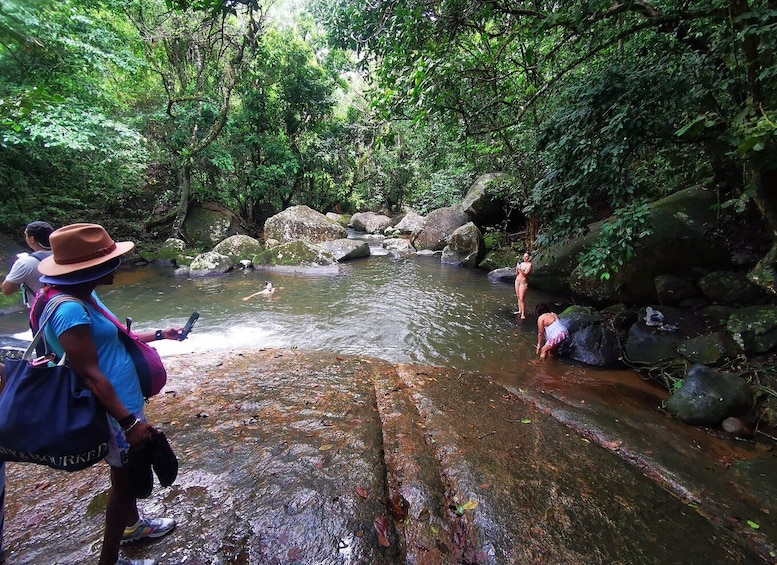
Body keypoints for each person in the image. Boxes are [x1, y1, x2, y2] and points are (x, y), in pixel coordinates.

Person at [34, 223, 181, 565]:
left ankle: (132, 526)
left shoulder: (81, 296)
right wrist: (129, 423)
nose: (117, 265)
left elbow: (113, 341)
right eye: (111, 260)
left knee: (124, 476)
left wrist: (162, 333)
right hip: (114, 411)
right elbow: (89, 373)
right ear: (89, 268)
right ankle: (109, 559)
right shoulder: (70, 310)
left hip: (122, 403)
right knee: (124, 482)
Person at [0, 221, 54, 554]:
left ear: (31, 239)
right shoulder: (57, 258)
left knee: (46, 355)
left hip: (42, 314)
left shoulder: (25, 260)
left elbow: (6, 290)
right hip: (55, 313)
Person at [2, 221, 55, 307]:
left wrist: (19, 266)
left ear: (32, 239)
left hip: (43, 311)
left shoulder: (25, 263)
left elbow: (6, 290)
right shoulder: (64, 256)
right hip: (68, 305)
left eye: (26, 235)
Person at [514, 252, 532, 319]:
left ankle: (523, 314)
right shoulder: (521, 263)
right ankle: (519, 310)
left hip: (523, 282)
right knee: (518, 296)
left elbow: (525, 274)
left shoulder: (529, 265)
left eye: (526, 256)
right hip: (517, 281)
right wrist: (517, 268)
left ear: (529, 257)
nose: (525, 258)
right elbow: (517, 273)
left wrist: (520, 269)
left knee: (521, 298)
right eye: (524, 256)